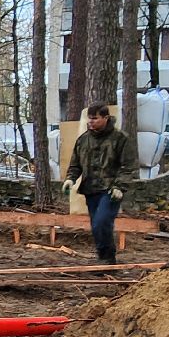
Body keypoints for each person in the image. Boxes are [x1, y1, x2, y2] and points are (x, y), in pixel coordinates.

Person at [63, 101, 136, 265]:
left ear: (106, 118)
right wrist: (70, 179)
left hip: (111, 190)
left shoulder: (120, 139)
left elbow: (128, 166)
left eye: (95, 118)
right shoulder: (83, 140)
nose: (91, 121)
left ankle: (107, 259)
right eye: (89, 118)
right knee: (96, 226)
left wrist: (119, 186)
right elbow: (76, 164)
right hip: (90, 189)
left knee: (102, 222)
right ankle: (104, 257)